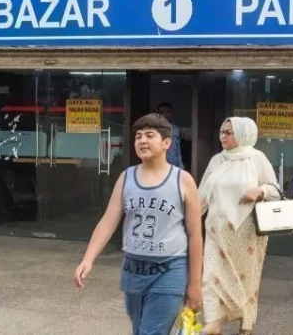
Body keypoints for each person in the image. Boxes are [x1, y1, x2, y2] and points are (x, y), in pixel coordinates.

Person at [74, 113, 203, 335]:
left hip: (169, 271)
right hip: (133, 271)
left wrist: (195, 283)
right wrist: (88, 258)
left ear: (166, 143)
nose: (142, 140)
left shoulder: (183, 180)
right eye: (138, 137)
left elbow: (195, 235)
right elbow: (108, 221)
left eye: (149, 135)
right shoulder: (126, 178)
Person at [197, 117, 281, 335]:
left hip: (246, 233)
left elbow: (275, 190)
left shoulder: (256, 158)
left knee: (244, 279)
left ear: (244, 134)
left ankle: (246, 324)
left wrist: (260, 190)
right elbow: (203, 195)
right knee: (210, 277)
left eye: (229, 132)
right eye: (222, 131)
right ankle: (214, 322)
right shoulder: (217, 160)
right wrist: (185, 219)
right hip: (216, 230)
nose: (223, 136)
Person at [156, 102, 185, 169]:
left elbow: (178, 150)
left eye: (167, 112)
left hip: (174, 166)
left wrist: (181, 167)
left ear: (171, 113)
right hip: (159, 167)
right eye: (162, 112)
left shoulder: (176, 129)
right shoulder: (154, 130)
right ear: (158, 114)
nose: (165, 114)